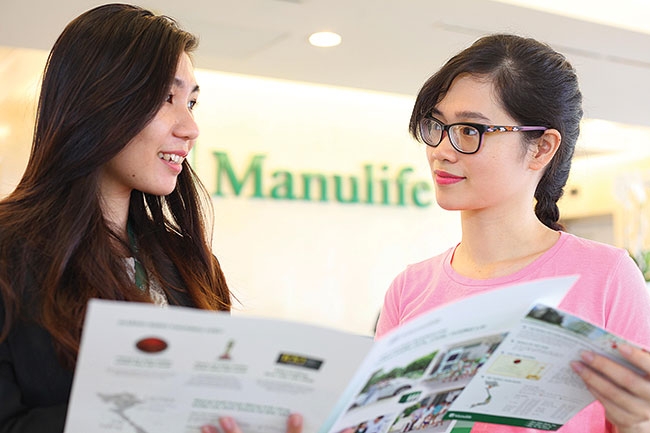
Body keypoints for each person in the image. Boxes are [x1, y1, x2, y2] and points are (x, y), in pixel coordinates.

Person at [0, 4, 303, 433]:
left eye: (192, 102)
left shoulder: (189, 264)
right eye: (166, 98)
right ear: (94, 101)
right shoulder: (9, 256)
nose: (190, 127)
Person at [375, 33, 650, 433]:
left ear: (541, 148)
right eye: (436, 125)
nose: (441, 150)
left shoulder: (606, 276)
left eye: (470, 130)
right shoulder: (408, 288)